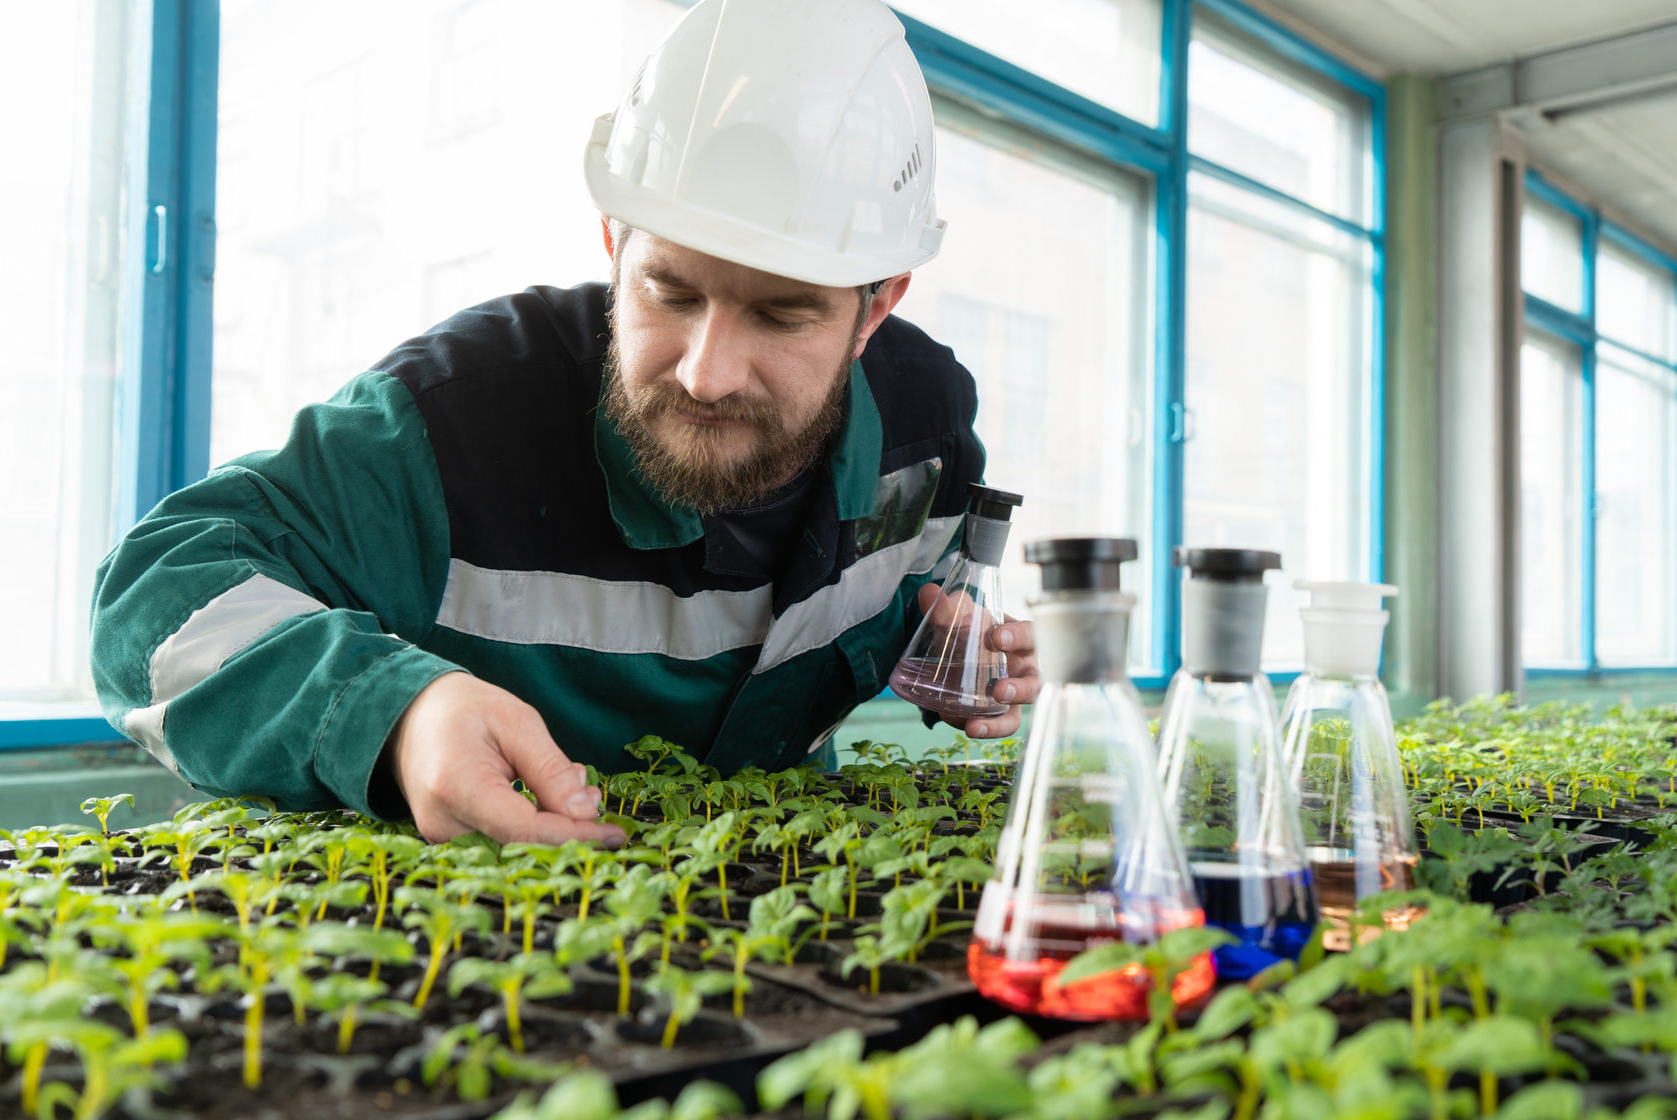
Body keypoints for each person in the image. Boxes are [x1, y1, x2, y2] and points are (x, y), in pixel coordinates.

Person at [89, 0, 1037, 848]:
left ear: (875, 310)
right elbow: (152, 599)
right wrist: (397, 713)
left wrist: (956, 652)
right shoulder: (454, 424)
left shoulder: (929, 430)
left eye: (782, 315)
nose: (705, 374)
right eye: (669, 289)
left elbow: (935, 588)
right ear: (613, 245)